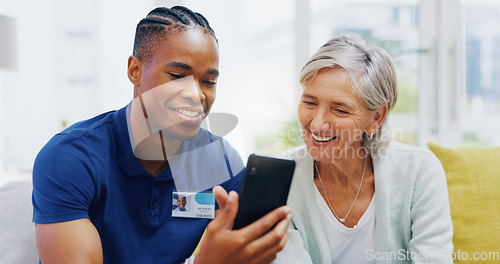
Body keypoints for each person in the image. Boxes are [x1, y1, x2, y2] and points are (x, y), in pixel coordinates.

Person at [32, 6, 291, 264]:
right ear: (135, 71)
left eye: (208, 82)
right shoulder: (71, 158)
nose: (196, 94)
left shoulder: (221, 161)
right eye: (178, 76)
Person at [273, 35, 453, 263]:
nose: (317, 124)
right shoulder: (278, 179)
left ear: (376, 118)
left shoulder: (419, 171)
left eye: (340, 110)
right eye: (309, 102)